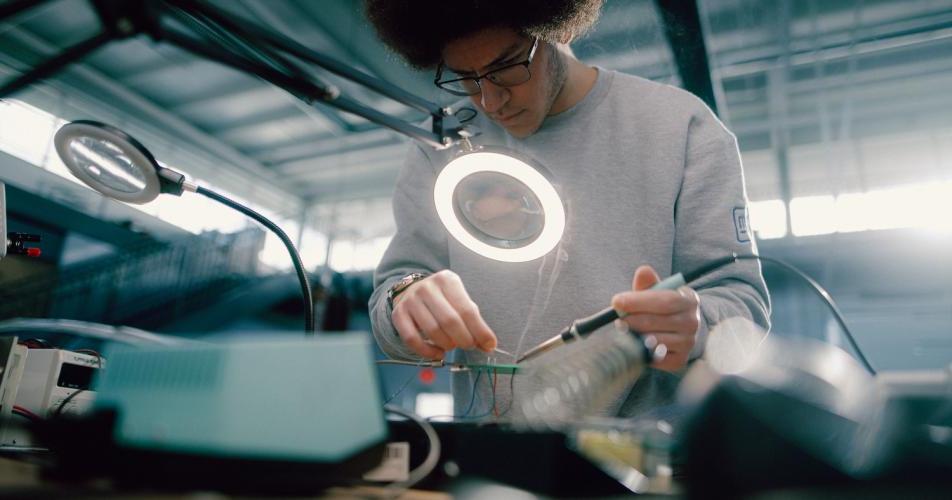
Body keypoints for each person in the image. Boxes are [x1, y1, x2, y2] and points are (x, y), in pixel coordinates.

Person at [364, 0, 770, 418]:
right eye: (465, 78)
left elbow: (745, 309)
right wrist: (406, 300)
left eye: (506, 68)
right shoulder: (442, 148)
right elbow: (391, 299)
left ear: (562, 29)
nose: (490, 100)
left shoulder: (681, 127)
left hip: (643, 461)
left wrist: (696, 325)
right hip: (493, 456)